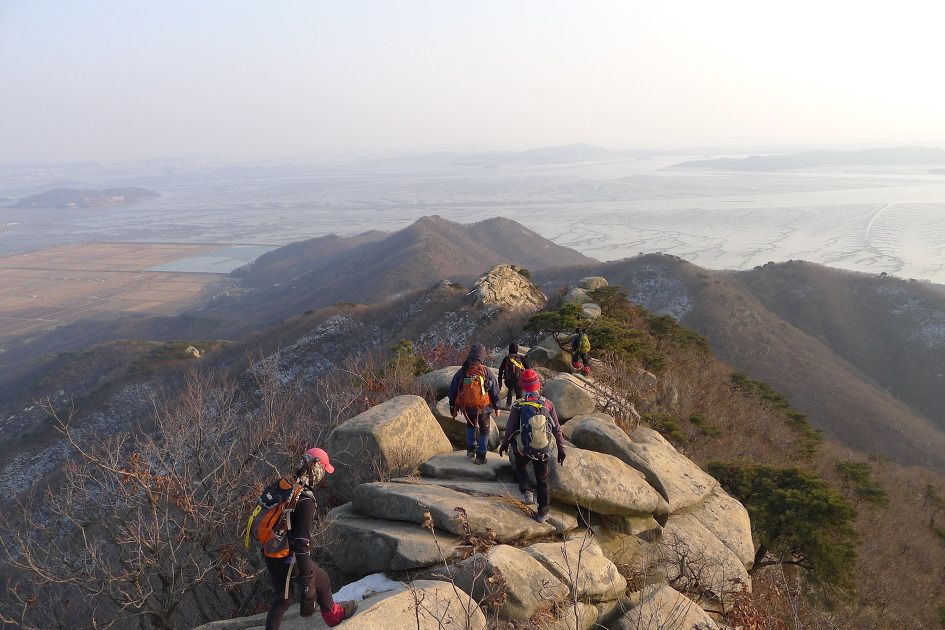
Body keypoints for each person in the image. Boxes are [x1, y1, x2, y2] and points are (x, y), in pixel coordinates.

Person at [262, 448, 357, 629]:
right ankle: (333, 616)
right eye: (324, 470)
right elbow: (301, 542)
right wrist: (307, 578)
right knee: (323, 579)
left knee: (283, 599)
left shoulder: (286, 484)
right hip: (288, 556)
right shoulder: (306, 500)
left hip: (270, 549)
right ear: (318, 471)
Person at [498, 369, 566, 523]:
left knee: (520, 466)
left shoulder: (518, 405)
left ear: (522, 386)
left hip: (523, 450)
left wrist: (505, 444)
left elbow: (510, 428)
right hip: (542, 450)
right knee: (543, 480)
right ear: (538, 385)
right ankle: (543, 513)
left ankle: (527, 491)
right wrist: (561, 449)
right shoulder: (547, 404)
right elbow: (556, 429)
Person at [449, 343, 501, 465]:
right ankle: (481, 456)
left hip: (466, 407)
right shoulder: (486, 371)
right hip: (483, 407)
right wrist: (497, 406)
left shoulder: (463, 370)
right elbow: (495, 390)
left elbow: (453, 389)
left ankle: (470, 449)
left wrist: (452, 405)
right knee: (484, 430)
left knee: (470, 425)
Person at [497, 342, 530, 410]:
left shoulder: (506, 358)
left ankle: (508, 405)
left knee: (510, 390)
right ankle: (518, 407)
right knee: (519, 392)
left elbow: (500, 370)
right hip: (518, 381)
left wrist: (499, 382)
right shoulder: (521, 357)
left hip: (508, 381)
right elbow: (528, 369)